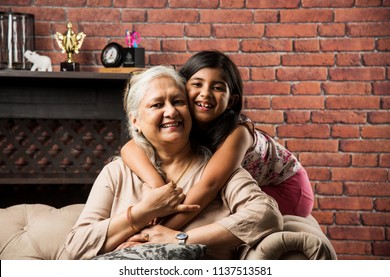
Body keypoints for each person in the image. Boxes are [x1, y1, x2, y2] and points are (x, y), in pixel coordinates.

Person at [64, 65, 282, 260]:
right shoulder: (117, 172)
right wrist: (143, 212)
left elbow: (266, 216)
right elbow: (76, 245)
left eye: (178, 102)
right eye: (157, 104)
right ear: (135, 121)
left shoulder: (218, 170)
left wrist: (180, 238)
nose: (171, 112)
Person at [121, 51, 314, 231]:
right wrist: (160, 189)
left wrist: (156, 232)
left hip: (286, 188)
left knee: (218, 212)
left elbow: (209, 187)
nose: (205, 93)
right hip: (242, 184)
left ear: (231, 100)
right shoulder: (181, 118)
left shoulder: (239, 133)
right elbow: (129, 148)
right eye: (197, 84)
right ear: (182, 88)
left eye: (218, 87)